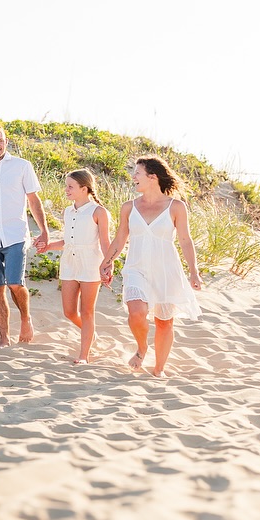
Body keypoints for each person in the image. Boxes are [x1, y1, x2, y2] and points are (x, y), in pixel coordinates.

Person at [99, 156, 202, 377]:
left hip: (166, 270)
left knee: (164, 322)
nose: (133, 177)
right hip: (136, 268)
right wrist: (106, 263)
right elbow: (119, 240)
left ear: (152, 177)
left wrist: (194, 271)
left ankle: (159, 369)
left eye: (137, 173)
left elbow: (185, 240)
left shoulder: (176, 207)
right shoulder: (129, 207)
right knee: (136, 312)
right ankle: (142, 347)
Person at [0, 124, 51, 347]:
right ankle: (3, 338)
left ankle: (25, 318)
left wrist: (44, 230)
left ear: (6, 141)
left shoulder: (22, 166)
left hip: (15, 235)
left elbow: (34, 200)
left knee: (15, 283)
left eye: (1, 140)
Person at [42, 169, 111, 364]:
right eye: (66, 186)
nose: (66, 190)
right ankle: (91, 335)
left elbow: (105, 243)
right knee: (69, 311)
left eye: (70, 186)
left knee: (87, 311)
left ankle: (84, 355)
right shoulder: (68, 211)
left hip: (90, 263)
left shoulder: (99, 211)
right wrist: (47, 246)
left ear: (84, 188)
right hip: (69, 262)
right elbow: (67, 240)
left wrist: (108, 264)